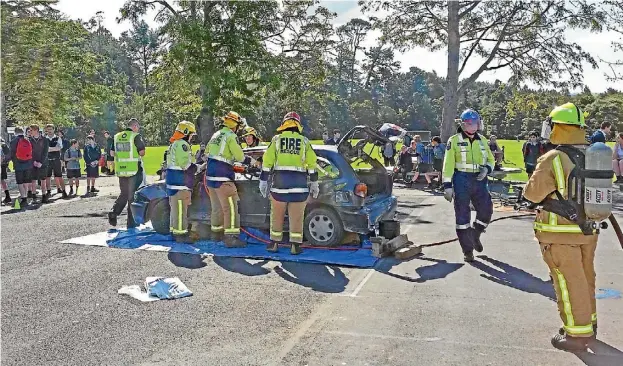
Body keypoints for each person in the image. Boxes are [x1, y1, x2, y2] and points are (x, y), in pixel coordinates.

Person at [522, 102, 601, 351]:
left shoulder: (553, 158)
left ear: (558, 128)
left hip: (560, 232)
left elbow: (532, 194)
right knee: (586, 278)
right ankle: (588, 325)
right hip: (588, 230)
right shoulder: (593, 154)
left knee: (568, 282)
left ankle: (576, 336)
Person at [260, 112, 318, 255]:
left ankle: (274, 243)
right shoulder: (304, 141)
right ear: (298, 125)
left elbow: (267, 161)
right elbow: (312, 164)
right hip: (299, 187)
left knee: (277, 216)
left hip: (279, 186)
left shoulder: (277, 139)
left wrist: (263, 180)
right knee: (297, 217)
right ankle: (295, 246)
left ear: (284, 123)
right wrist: (314, 183)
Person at [442, 109, 495, 262]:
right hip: (461, 179)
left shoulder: (483, 140)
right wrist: (447, 185)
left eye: (476, 123)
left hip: (479, 179)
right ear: (463, 124)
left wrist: (487, 169)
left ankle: (475, 234)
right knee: (462, 216)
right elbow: (448, 163)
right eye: (470, 123)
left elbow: (490, 160)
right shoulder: (454, 140)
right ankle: (467, 250)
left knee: (486, 210)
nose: (473, 126)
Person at [205, 111, 257, 247]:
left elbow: (207, 153)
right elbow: (240, 157)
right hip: (223, 177)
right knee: (231, 208)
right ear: (235, 125)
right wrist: (251, 161)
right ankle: (231, 238)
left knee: (216, 207)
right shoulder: (231, 136)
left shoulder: (216, 135)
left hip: (210, 177)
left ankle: (216, 234)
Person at [108, 118, 146, 228]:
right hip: (134, 171)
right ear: (134, 126)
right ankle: (131, 223)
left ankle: (114, 212)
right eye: (137, 127)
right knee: (132, 196)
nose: (137, 129)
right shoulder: (135, 136)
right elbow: (142, 152)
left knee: (124, 193)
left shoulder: (117, 136)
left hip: (121, 170)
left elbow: (112, 152)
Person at [165, 121, 199, 242]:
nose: (191, 137)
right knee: (180, 210)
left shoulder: (174, 144)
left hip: (173, 183)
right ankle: (181, 235)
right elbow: (185, 164)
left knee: (175, 210)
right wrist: (198, 167)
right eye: (191, 134)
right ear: (186, 133)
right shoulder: (182, 144)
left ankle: (174, 232)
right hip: (179, 183)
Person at [44, 124, 67, 199]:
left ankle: (64, 191)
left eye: (51, 129)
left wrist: (49, 149)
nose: (49, 131)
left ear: (54, 130)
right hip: (47, 161)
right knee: (47, 177)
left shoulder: (58, 138)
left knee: (59, 176)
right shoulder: (44, 139)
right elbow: (44, 149)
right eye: (48, 129)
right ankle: (48, 192)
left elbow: (59, 148)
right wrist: (54, 148)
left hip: (56, 160)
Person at [29, 125, 49, 203]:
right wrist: (33, 161)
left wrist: (41, 162)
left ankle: (44, 195)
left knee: (43, 180)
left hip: (43, 163)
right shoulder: (29, 140)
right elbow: (29, 152)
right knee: (33, 180)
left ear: (36, 130)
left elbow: (45, 152)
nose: (30, 132)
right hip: (33, 163)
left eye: (31, 130)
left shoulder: (45, 140)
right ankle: (34, 196)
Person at [1, 138, 11, 204]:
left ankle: (7, 196)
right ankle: (7, 196)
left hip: (2, 164)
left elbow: (7, 153)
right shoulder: (2, 141)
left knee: (2, 180)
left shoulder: (2, 142)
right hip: (3, 164)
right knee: (2, 180)